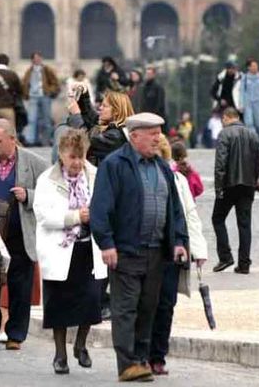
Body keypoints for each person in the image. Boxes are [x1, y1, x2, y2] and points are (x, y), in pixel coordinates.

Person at [90, 112, 189, 382]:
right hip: (125, 251)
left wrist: (179, 240)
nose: (158, 139)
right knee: (125, 308)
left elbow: (175, 209)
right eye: (152, 134)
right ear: (134, 136)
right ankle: (127, 363)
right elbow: (100, 208)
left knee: (149, 307)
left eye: (159, 133)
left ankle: (141, 358)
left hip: (157, 252)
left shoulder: (162, 168)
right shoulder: (114, 165)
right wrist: (106, 243)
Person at [33, 128, 107, 374]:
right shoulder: (48, 179)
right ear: (61, 155)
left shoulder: (95, 176)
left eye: (80, 156)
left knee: (92, 300)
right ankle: (60, 353)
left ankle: (81, 344)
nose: (77, 162)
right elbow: (43, 215)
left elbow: (106, 208)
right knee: (59, 304)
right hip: (61, 248)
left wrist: (95, 217)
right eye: (72, 157)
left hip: (89, 248)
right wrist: (75, 216)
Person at [0, 119, 47, 350]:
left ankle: (15, 334)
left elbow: (50, 195)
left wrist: (29, 195)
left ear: (12, 140)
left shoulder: (36, 163)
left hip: (20, 234)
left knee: (20, 286)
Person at [148, 135, 208, 375]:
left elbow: (190, 215)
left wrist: (199, 249)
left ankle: (158, 355)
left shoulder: (179, 181)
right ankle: (143, 353)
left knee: (166, 304)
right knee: (147, 303)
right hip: (147, 250)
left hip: (172, 251)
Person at [211, 107, 259, 274]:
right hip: (248, 185)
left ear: (226, 118)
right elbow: (258, 163)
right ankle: (244, 263)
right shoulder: (253, 134)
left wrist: (219, 187)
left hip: (229, 184)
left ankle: (225, 256)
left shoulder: (225, 134)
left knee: (218, 218)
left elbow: (221, 163)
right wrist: (255, 182)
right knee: (245, 224)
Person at [67, 88, 134, 166]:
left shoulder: (115, 136)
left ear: (116, 111)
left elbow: (85, 141)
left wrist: (76, 115)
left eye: (105, 106)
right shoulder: (116, 128)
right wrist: (84, 95)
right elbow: (92, 118)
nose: (100, 108)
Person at [0, 53, 24, 128]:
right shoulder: (12, 74)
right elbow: (19, 91)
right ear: (8, 62)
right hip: (8, 108)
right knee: (10, 132)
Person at [239, 58, 259, 142]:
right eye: (253, 66)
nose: (255, 68)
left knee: (258, 124)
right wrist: (241, 104)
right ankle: (252, 141)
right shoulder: (244, 78)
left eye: (256, 66)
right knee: (249, 123)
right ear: (248, 67)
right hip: (248, 103)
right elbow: (241, 91)